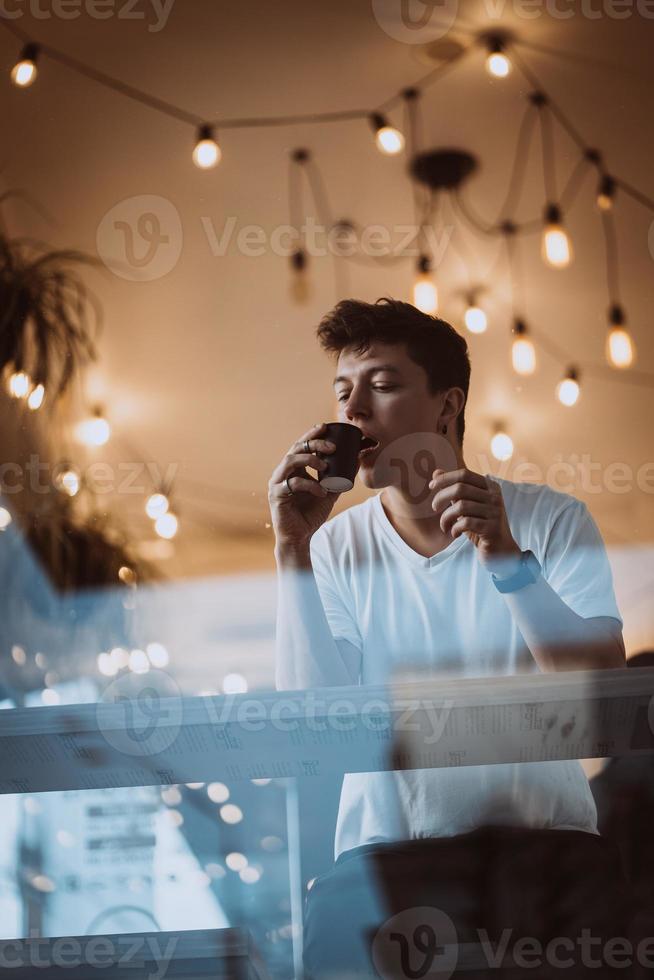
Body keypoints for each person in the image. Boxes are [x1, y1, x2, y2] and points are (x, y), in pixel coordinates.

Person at [268, 298, 627, 977]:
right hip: (384, 862)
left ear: (447, 404)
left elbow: (603, 697)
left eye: (383, 383)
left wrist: (503, 556)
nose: (355, 410)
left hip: (545, 852)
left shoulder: (550, 520)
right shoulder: (335, 546)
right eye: (344, 392)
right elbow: (311, 718)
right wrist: (293, 547)